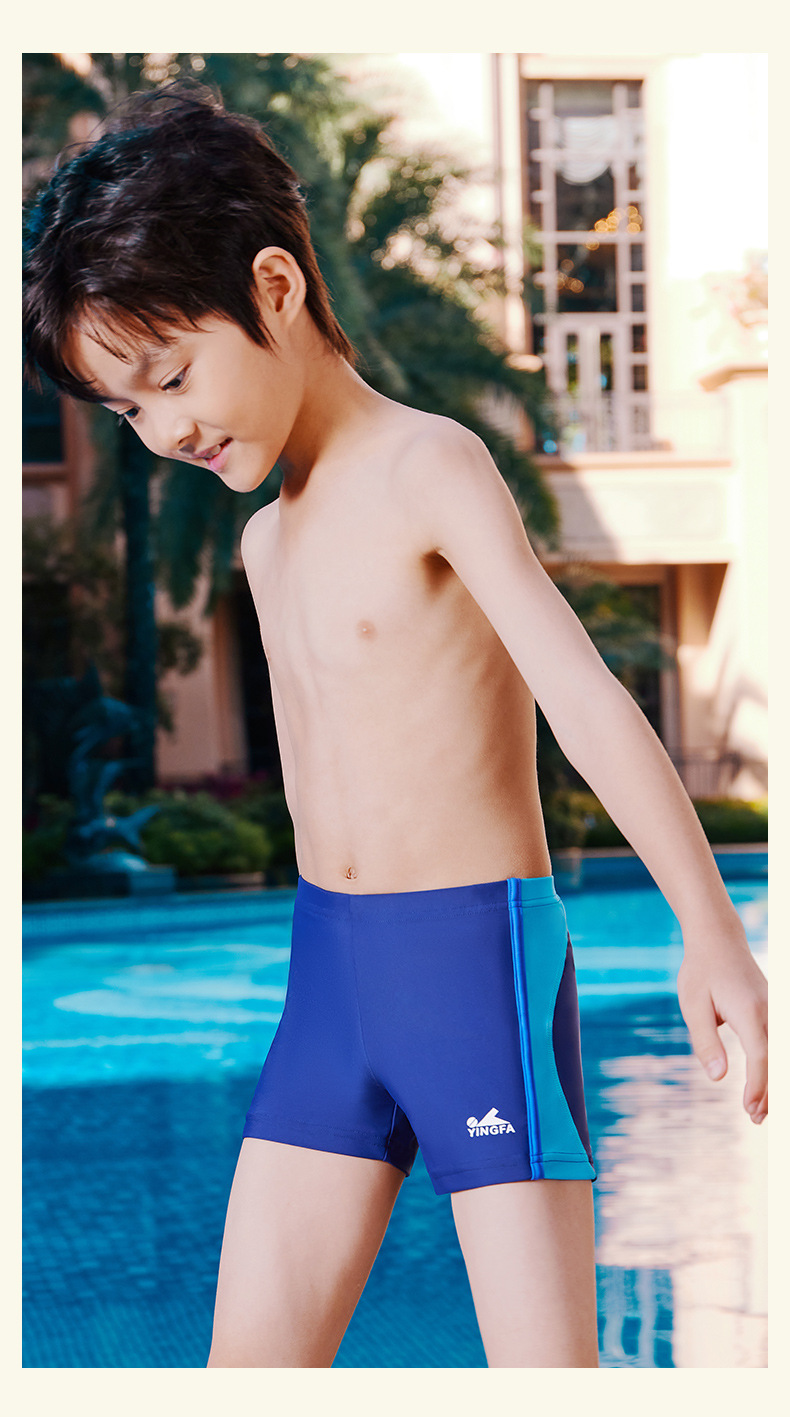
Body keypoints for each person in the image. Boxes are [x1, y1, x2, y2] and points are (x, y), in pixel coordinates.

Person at [23, 83, 767, 1370]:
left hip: (473, 968)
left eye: (172, 378)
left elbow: (581, 694)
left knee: (544, 1380)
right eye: (128, 411)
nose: (165, 431)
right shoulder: (262, 542)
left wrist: (710, 929)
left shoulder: (431, 466)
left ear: (274, 288)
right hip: (328, 981)